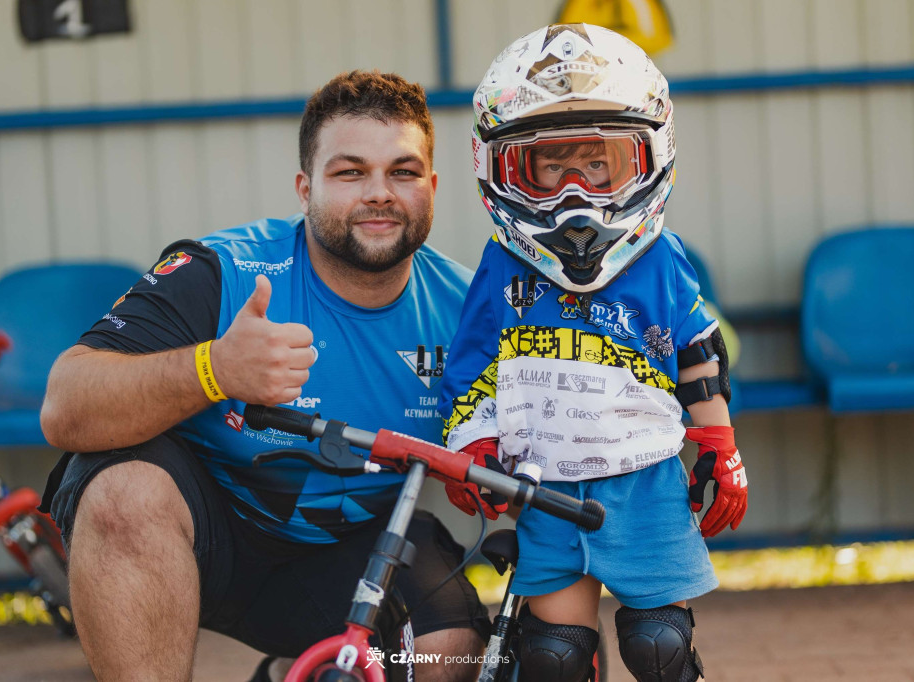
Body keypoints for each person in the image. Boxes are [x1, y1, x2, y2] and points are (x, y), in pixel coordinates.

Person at [39, 70, 490, 682]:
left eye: (403, 172)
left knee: (449, 648)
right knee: (122, 495)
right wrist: (213, 369)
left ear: (432, 187)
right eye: (350, 172)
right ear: (306, 188)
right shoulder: (221, 271)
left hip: (347, 557)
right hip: (199, 539)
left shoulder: (471, 311)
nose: (380, 192)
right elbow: (66, 405)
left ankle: (286, 671)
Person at [439, 24, 748, 682]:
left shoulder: (661, 260)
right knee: (552, 657)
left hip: (645, 482)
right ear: (500, 166)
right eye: (550, 167)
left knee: (659, 645)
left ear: (647, 156)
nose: (575, 193)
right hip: (543, 484)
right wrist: (473, 442)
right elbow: (472, 368)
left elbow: (697, 355)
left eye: (600, 163)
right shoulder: (501, 269)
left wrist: (720, 447)